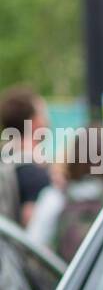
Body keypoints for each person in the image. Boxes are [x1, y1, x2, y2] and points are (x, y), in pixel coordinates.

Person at [0, 86, 52, 230]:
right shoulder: (32, 171)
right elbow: (33, 228)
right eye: (43, 113)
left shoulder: (5, 158)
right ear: (33, 121)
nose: (47, 119)